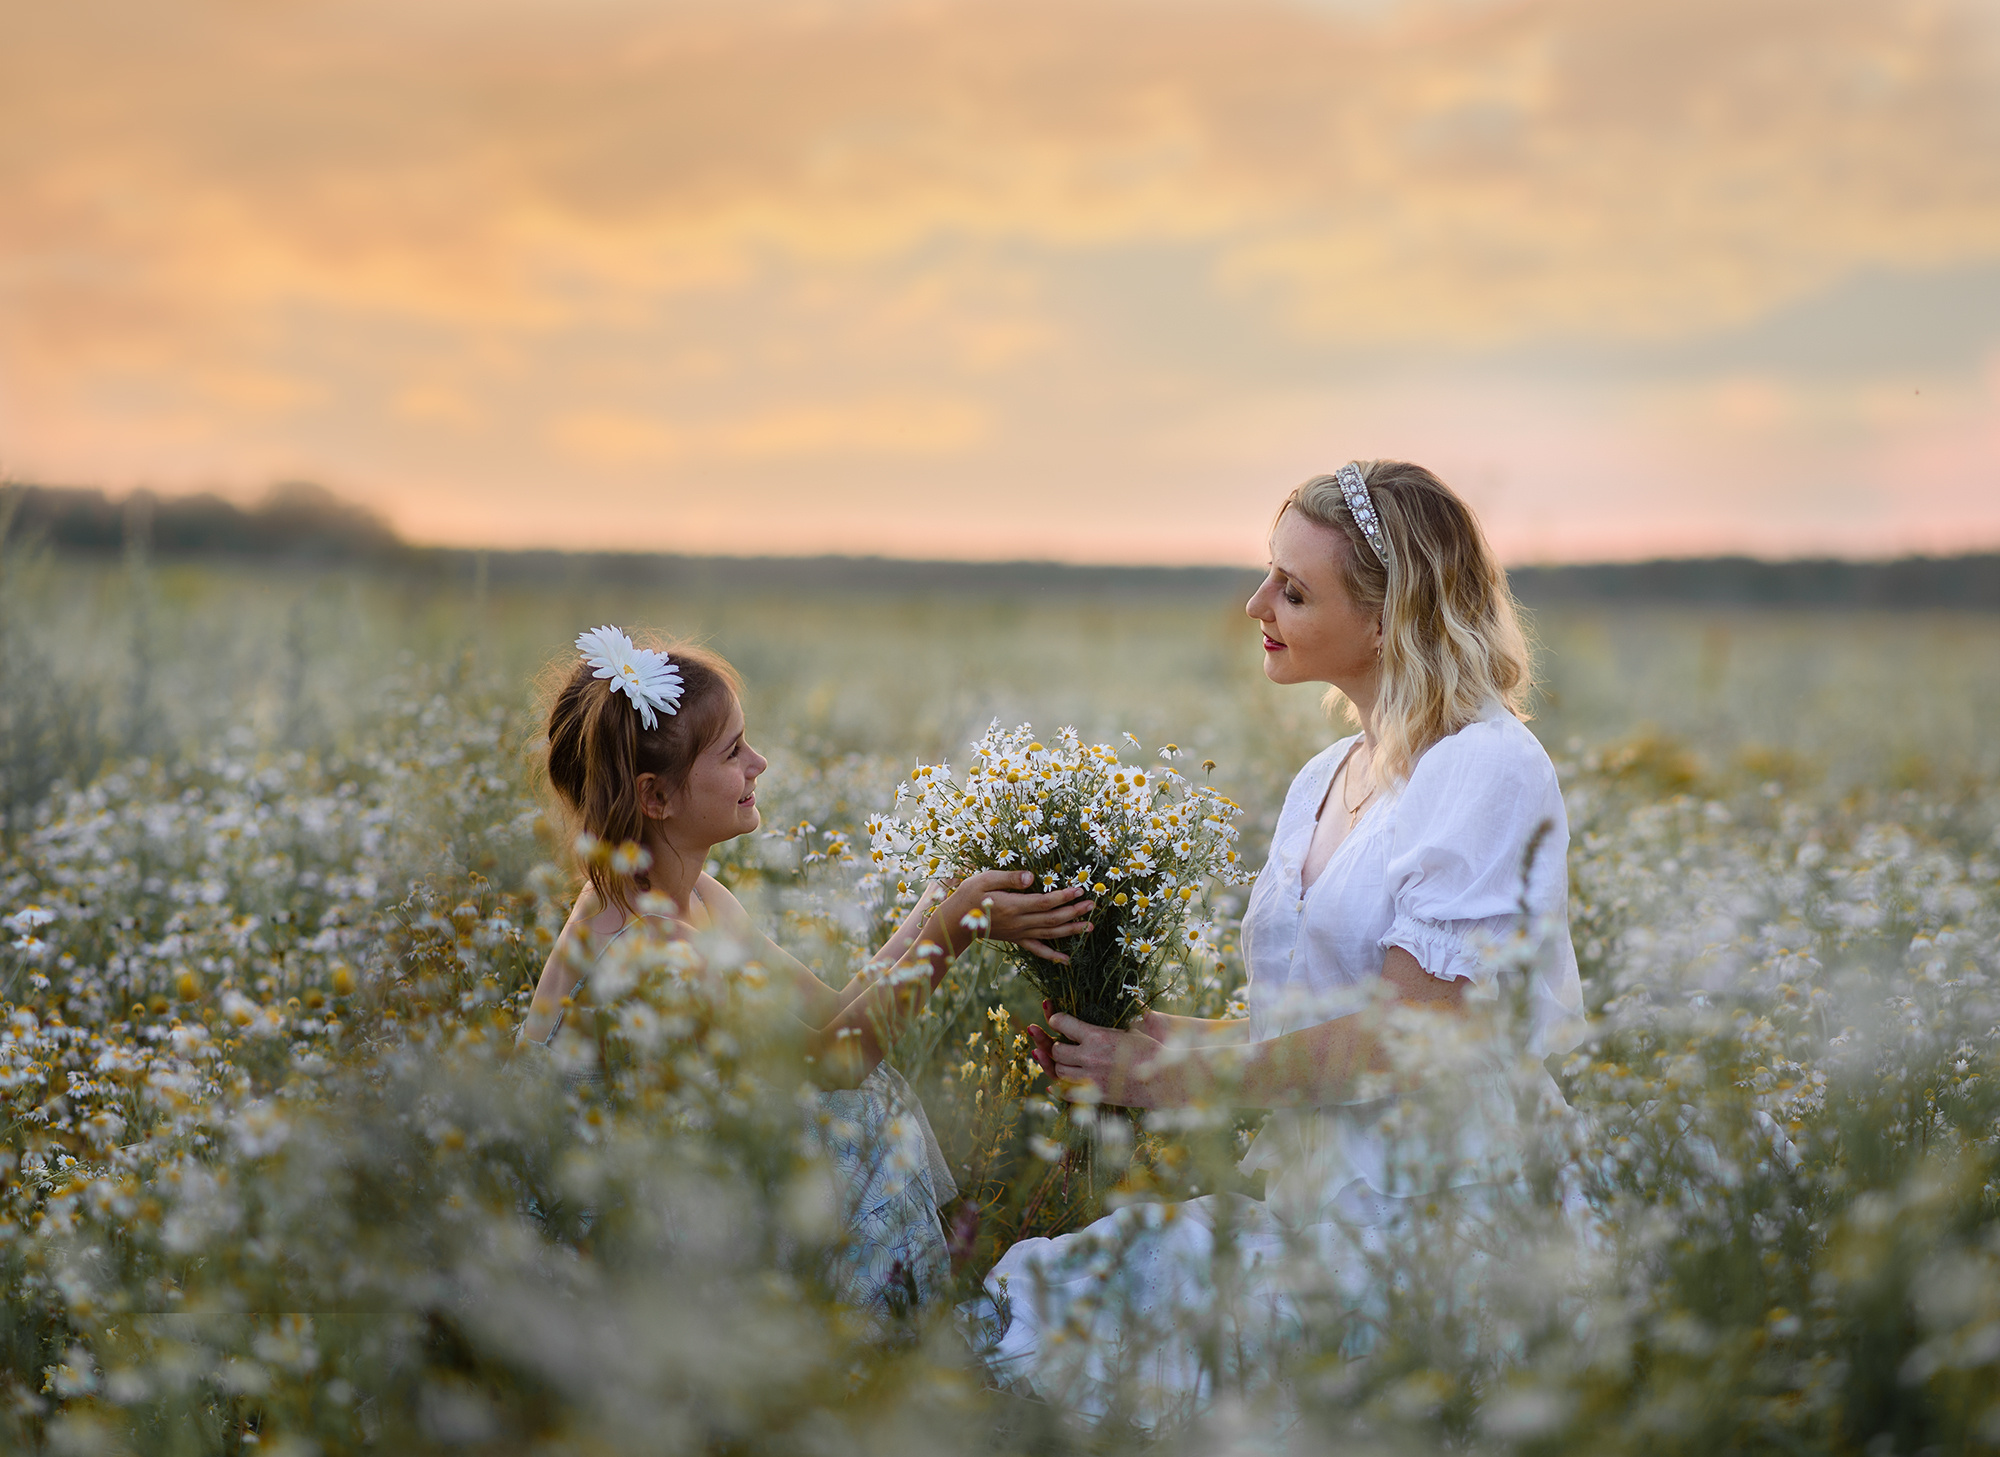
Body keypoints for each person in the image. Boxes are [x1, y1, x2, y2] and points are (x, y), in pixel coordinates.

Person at [976, 461, 1587, 1421]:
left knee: (1128, 1349)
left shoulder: (1486, 767)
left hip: (1432, 1207)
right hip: (1316, 1192)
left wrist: (1177, 1082)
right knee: (1059, 1298)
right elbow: (1313, 1021)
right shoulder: (1326, 776)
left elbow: (1408, 1033)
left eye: (1294, 590)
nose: (1257, 603)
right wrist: (1160, 1039)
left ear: (1389, 620)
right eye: (1270, 573)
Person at [517, 626, 1094, 1316]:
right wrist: (959, 927)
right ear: (657, 797)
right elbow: (839, 1060)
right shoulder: (650, 951)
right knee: (856, 1116)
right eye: (732, 751)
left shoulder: (697, 897)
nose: (758, 763)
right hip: (607, 1247)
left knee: (855, 1105)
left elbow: (830, 1014)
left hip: (680, 1181)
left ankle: (873, 1325)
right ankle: (871, 1339)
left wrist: (933, 905)